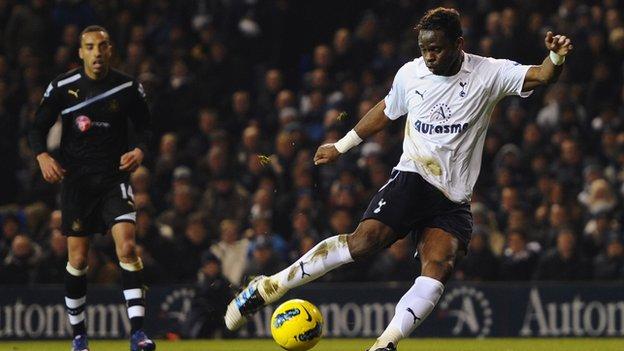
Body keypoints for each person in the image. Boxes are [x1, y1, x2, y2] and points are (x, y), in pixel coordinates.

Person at [225, 7, 572, 351]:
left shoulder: (488, 73)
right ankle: (271, 285)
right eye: (424, 49)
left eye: (436, 48)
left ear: (459, 44)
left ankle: (384, 344)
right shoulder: (411, 74)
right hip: (414, 176)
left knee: (439, 268)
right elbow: (386, 110)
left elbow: (542, 76)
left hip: (454, 197)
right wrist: (342, 145)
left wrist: (554, 57)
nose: (429, 56)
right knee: (364, 243)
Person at [28, 25, 156, 351]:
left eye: (102, 46)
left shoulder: (127, 87)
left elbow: (146, 128)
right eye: (90, 47)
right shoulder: (62, 86)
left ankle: (138, 334)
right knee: (79, 259)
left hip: (114, 179)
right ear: (80, 52)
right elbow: (36, 128)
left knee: (127, 248)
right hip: (77, 183)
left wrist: (140, 150)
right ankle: (79, 338)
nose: (96, 53)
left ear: (110, 50)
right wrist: (42, 155)